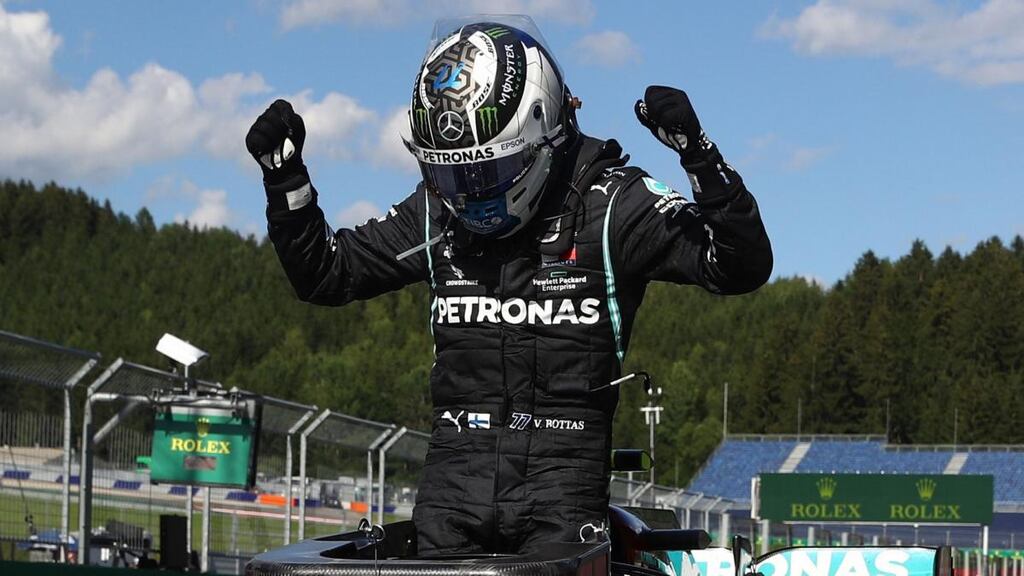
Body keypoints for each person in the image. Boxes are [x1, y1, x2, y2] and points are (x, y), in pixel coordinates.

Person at [246, 16, 772, 555]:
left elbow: (738, 265)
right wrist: (286, 181)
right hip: (452, 487)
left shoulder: (612, 203)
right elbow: (326, 273)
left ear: (541, 132)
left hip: (563, 495)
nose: (472, 197)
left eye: (487, 174)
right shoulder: (436, 214)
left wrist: (698, 155)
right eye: (455, 177)